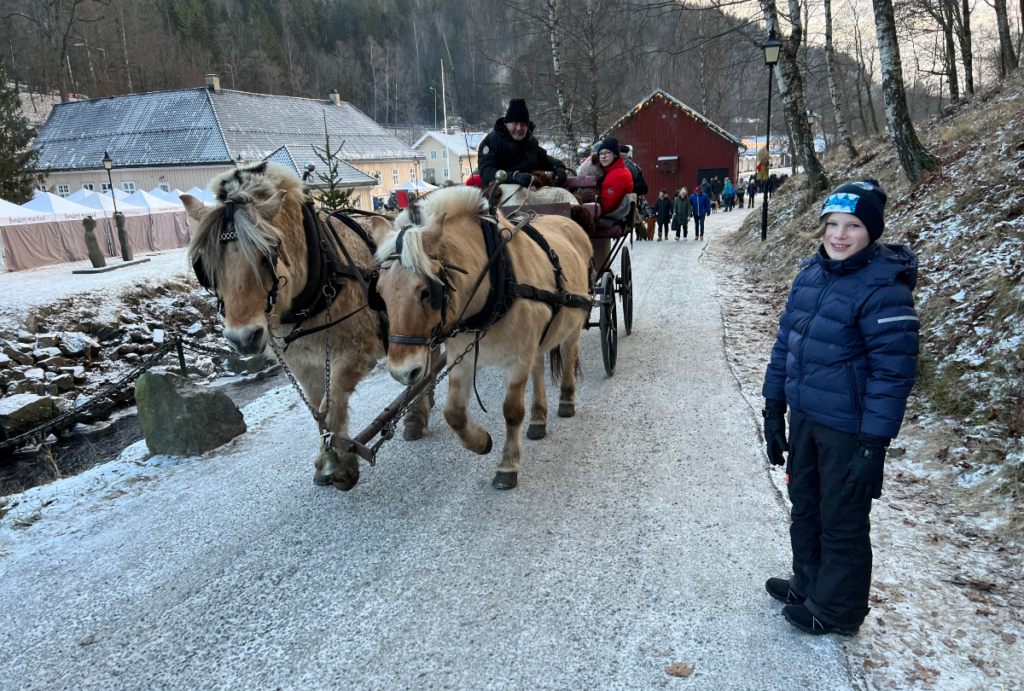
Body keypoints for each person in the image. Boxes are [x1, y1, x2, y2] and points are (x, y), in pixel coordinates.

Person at [761, 179, 919, 636]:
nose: (840, 235)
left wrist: (873, 447)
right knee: (805, 504)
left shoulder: (885, 288)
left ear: (871, 231)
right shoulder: (811, 274)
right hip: (808, 415)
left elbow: (894, 374)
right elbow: (785, 344)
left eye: (853, 225)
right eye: (832, 224)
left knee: (842, 518)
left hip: (849, 428)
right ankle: (809, 584)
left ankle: (838, 610)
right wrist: (774, 406)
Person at [478, 98, 568, 189]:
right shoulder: (492, 142)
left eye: (523, 124)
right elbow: (486, 172)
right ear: (506, 123)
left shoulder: (531, 142)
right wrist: (513, 177)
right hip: (500, 191)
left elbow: (542, 158)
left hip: (530, 190)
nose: (519, 128)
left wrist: (557, 165)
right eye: (515, 123)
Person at [593, 137, 633, 267]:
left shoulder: (618, 175)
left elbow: (607, 206)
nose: (603, 157)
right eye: (601, 153)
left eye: (607, 153)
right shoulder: (610, 171)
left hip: (611, 216)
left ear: (615, 154)